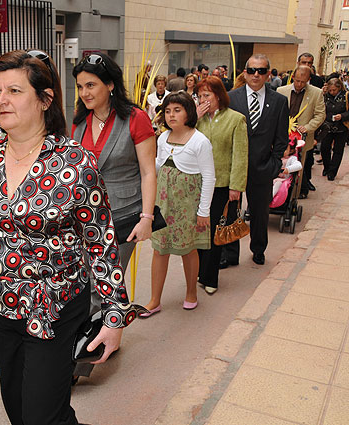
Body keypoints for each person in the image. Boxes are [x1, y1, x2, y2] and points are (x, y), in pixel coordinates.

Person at [0, 50, 139, 425]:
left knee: (41, 413)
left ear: (44, 99)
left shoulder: (75, 163)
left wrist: (115, 315)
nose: (1, 100)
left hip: (52, 307)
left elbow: (101, 244)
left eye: (15, 91)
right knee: (19, 409)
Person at [71, 52, 157, 378]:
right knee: (83, 283)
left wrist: (146, 218)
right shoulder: (80, 121)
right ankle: (108, 336)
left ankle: (77, 364)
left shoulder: (135, 118)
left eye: (91, 85)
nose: (85, 93)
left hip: (123, 216)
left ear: (110, 84)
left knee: (101, 285)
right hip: (83, 218)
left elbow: (149, 172)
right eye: (80, 86)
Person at [141, 91, 215, 316]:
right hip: (164, 202)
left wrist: (204, 211)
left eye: (177, 110)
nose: (171, 115)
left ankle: (191, 292)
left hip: (187, 205)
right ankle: (155, 300)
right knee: (159, 250)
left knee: (188, 250)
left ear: (189, 113)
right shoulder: (162, 138)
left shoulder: (200, 141)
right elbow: (156, 167)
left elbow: (209, 177)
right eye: (168, 111)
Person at [226, 54, 289, 266]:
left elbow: (281, 138)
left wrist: (274, 164)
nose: (256, 75)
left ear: (268, 75)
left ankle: (258, 249)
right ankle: (230, 253)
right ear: (244, 73)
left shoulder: (279, 101)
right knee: (231, 213)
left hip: (263, 167)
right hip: (234, 168)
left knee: (260, 213)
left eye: (261, 71)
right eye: (252, 70)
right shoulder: (231, 98)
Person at [194, 77, 248, 293]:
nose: (203, 100)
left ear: (218, 95)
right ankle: (199, 271)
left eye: (207, 95)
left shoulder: (235, 119)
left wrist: (236, 186)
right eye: (200, 96)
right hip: (196, 184)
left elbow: (240, 155)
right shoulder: (196, 119)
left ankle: (210, 278)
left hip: (222, 184)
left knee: (215, 231)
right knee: (198, 231)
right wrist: (193, 118)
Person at [277, 66, 325, 198]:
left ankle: (295, 195)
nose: (299, 84)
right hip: (282, 136)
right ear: (292, 78)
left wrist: (308, 127)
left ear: (309, 80)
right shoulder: (281, 91)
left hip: (301, 138)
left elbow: (320, 115)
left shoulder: (316, 93)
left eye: (303, 82)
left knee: (298, 166)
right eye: (297, 81)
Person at [319, 78, 349, 181]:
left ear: (339, 88)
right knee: (324, 148)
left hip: (341, 128)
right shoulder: (325, 96)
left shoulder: (346, 96)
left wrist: (342, 116)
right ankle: (327, 167)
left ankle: (332, 171)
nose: (332, 92)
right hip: (327, 127)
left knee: (338, 150)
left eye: (334, 90)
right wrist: (322, 93)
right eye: (330, 90)